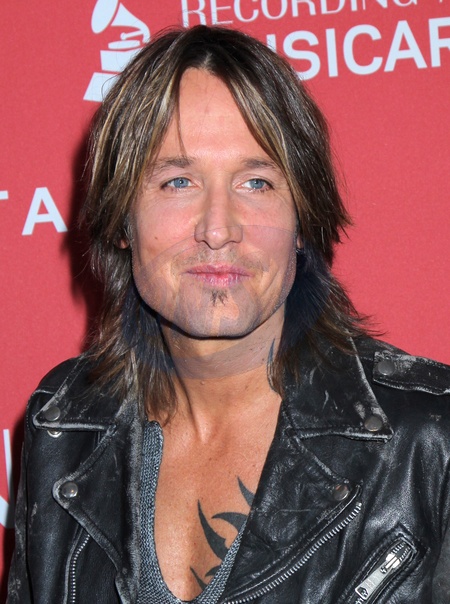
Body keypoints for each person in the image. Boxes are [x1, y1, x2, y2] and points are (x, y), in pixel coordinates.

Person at [7, 25, 450, 604]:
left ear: (302, 221)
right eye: (178, 181)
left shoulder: (430, 442)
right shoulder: (63, 427)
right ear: (121, 220)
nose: (218, 229)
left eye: (256, 182)